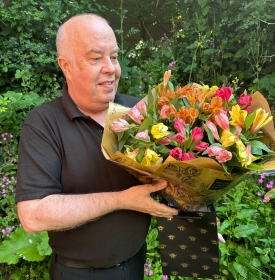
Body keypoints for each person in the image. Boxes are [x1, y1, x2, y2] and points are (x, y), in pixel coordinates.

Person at [15, 14, 178, 280]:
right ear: (66, 66)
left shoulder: (138, 112)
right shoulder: (44, 124)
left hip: (136, 262)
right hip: (78, 273)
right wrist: (121, 200)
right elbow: (33, 215)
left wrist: (196, 224)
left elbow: (174, 176)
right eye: (96, 58)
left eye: (114, 57)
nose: (111, 68)